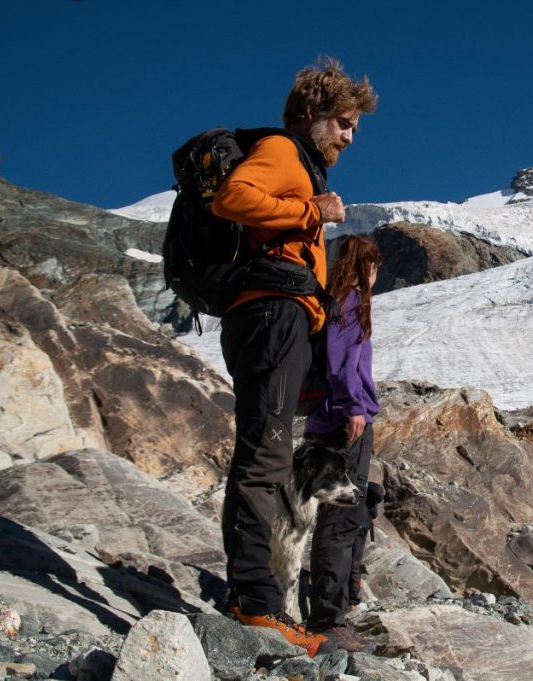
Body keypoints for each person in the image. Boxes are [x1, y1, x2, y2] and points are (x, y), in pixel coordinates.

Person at [212, 58, 377, 657]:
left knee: (264, 448)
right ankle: (255, 604)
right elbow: (233, 197)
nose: (349, 137)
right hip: (272, 314)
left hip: (274, 318)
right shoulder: (284, 153)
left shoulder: (297, 161)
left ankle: (252, 596)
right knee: (265, 456)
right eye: (343, 122)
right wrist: (315, 212)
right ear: (311, 114)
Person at [302, 235, 382, 651]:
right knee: (340, 517)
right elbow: (339, 360)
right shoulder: (349, 299)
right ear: (368, 265)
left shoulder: (337, 298)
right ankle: (327, 619)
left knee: (345, 514)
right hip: (342, 421)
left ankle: (337, 607)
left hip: (334, 418)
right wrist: (353, 406)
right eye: (375, 267)